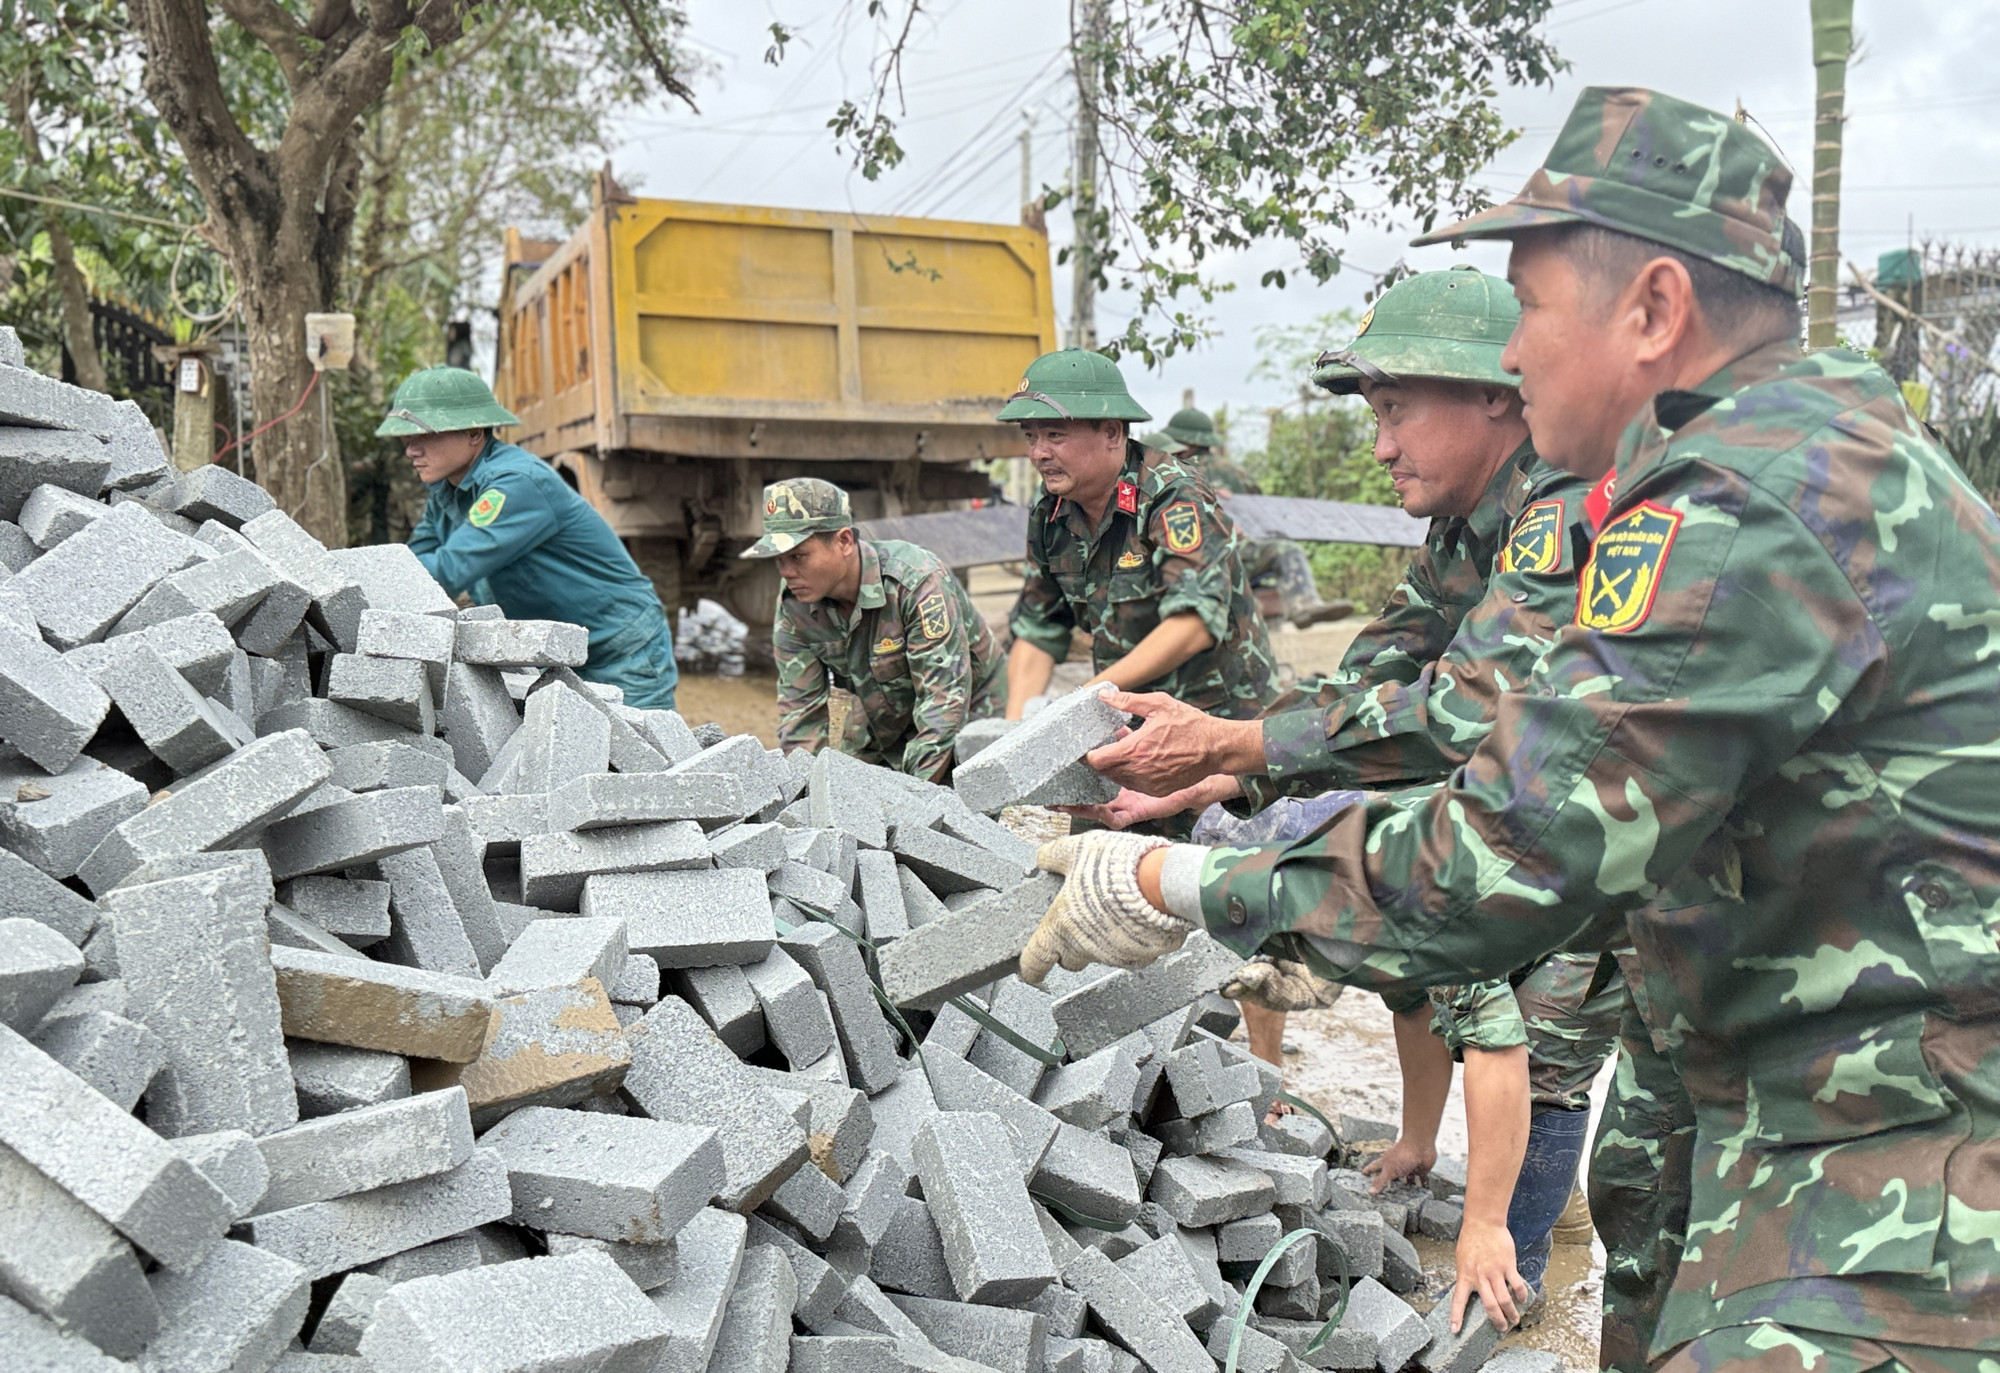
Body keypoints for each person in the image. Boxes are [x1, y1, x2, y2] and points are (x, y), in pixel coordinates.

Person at [1020, 87, 2000, 1373]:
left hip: (1894, 1147)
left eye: (1530, 309)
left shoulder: (1751, 506)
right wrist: (1240, 757)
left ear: (1652, 309)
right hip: (1788, 1072)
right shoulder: (1784, 455)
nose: (1515, 351)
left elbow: (1512, 848)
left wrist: (1168, 878)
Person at [1078, 267, 1621, 1324]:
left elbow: (1469, 703)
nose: (1378, 445)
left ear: (1496, 397)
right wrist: (1231, 764)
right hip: (1564, 811)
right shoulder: (1462, 525)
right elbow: (1378, 667)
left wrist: (1237, 733)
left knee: (1546, 1044)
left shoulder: (1562, 507)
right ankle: (1536, 1219)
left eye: (1394, 410)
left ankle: (1509, 1297)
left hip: (1647, 841)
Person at [1001, 350, 1276, 725]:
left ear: (1112, 432)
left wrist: (1082, 700)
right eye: (1030, 437)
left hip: (1217, 719)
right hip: (1128, 717)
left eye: (1054, 435)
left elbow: (1193, 622)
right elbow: (1039, 626)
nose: (1038, 453)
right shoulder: (1051, 510)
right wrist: (1016, 731)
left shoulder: (1172, 495)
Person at [386, 366, 678, 709]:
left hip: (619, 651)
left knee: (638, 760)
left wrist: (358, 575)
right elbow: (414, 570)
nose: (411, 450)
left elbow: (448, 571)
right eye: (406, 438)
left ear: (474, 432)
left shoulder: (517, 482)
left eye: (424, 435)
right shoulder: (446, 492)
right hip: (556, 657)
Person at [744, 477, 1004, 782]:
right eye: (780, 560)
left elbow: (943, 707)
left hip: (969, 705)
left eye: (799, 557)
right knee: (849, 798)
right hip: (879, 708)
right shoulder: (795, 605)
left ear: (844, 541)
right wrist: (804, 799)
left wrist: (915, 802)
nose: (787, 572)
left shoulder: (916, 582)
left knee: (955, 807)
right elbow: (801, 716)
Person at [1143, 406, 1348, 629]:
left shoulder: (1176, 471)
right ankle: (1303, 603)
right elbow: (1256, 510)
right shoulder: (1235, 472)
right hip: (1221, 553)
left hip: (1201, 554)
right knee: (1286, 549)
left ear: (1185, 443)